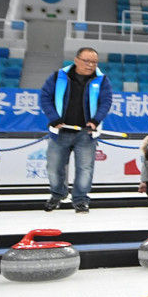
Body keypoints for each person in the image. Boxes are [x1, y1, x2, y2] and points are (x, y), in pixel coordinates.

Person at [38, 47, 113, 213]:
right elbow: (45, 97)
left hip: (86, 133)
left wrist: (95, 120)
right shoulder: (58, 76)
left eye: (94, 62)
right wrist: (54, 118)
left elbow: (106, 102)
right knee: (53, 167)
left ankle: (80, 199)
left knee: (85, 169)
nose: (90, 65)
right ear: (76, 60)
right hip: (60, 132)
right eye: (87, 61)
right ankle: (58, 194)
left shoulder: (102, 80)